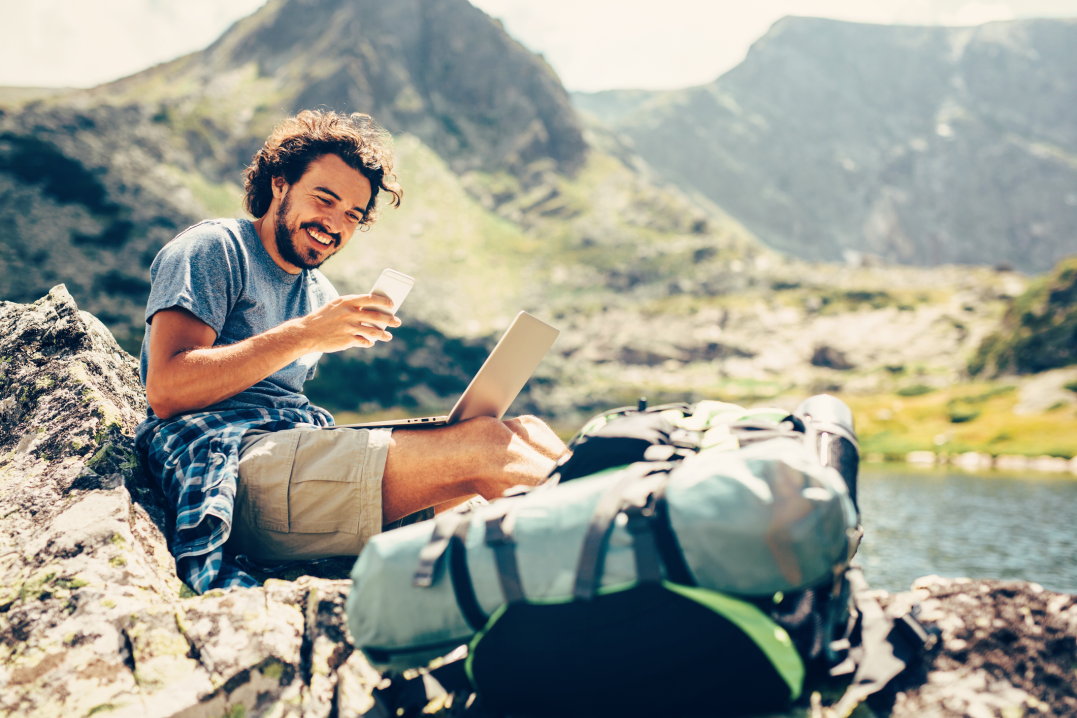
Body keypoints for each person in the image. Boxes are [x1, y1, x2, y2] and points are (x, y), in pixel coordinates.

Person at [135, 110, 567, 594]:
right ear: (280, 184)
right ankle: (625, 532)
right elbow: (167, 390)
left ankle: (629, 503)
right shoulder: (215, 247)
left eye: (352, 216)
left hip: (290, 457)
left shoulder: (319, 290)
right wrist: (307, 334)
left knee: (520, 433)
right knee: (485, 448)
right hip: (224, 465)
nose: (334, 224)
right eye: (325, 199)